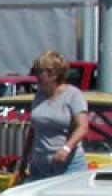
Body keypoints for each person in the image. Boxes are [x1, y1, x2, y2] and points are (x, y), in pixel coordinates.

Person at [23, 49, 89, 182]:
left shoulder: (73, 95)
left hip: (68, 165)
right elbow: (34, 128)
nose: (36, 76)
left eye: (40, 71)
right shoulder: (39, 96)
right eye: (36, 71)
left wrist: (66, 149)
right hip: (39, 165)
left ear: (54, 74)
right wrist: (24, 158)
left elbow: (82, 127)